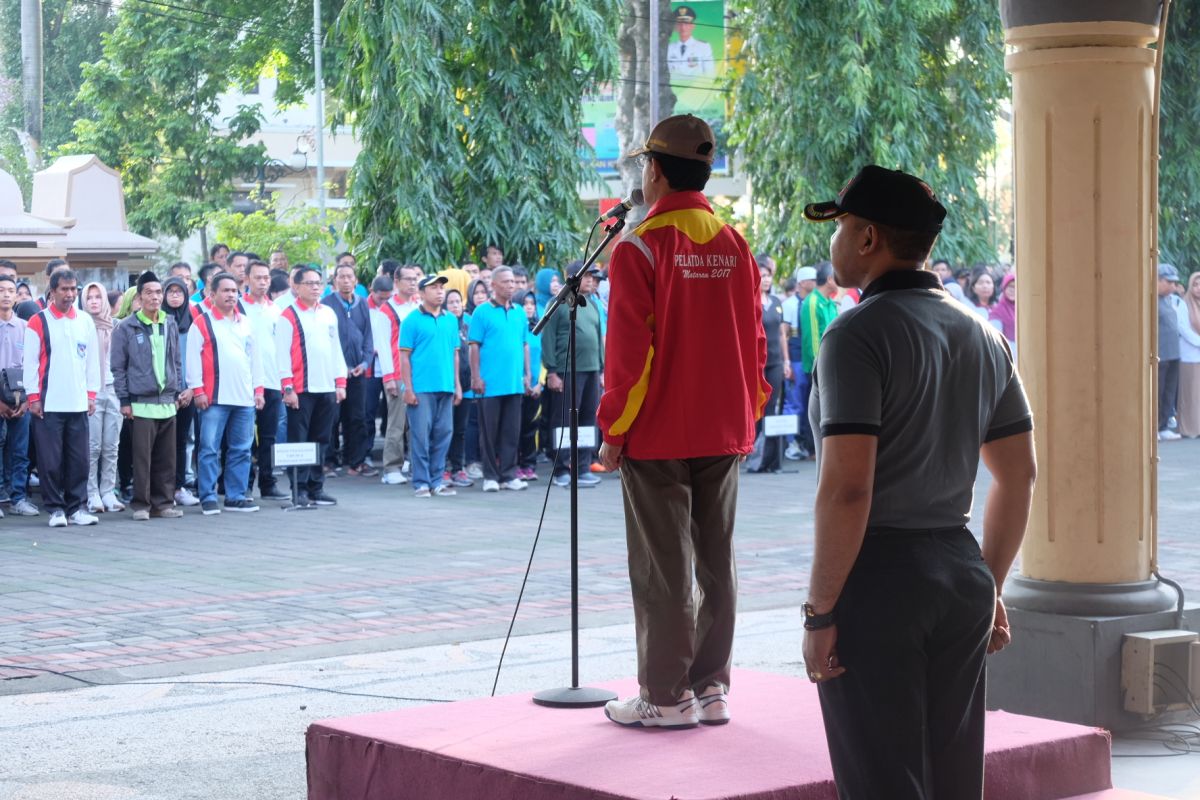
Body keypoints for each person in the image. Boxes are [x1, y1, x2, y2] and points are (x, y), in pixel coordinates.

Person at [799, 165, 1035, 799]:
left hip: (880, 577)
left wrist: (820, 612)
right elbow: (1020, 476)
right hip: (958, 570)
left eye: (842, 227)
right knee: (953, 772)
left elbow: (849, 489)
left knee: (882, 777)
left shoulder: (854, 335)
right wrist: (989, 582)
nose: (836, 242)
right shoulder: (984, 334)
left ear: (869, 238)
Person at [597, 114, 768, 729]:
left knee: (663, 565)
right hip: (722, 428)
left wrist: (614, 432)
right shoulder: (734, 242)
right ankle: (712, 687)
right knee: (716, 561)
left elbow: (630, 357)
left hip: (658, 431)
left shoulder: (639, 246)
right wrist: (748, 412)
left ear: (656, 169)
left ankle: (666, 697)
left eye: (645, 165)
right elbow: (754, 340)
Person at [24, 269, 101, 527]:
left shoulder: (85, 320)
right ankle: (56, 509)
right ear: (53, 291)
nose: (70, 294)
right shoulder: (38, 321)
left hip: (78, 402)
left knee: (79, 459)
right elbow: (30, 364)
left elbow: (92, 362)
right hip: (48, 403)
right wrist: (33, 397)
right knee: (50, 461)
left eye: (73, 289)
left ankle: (77, 507)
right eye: (64, 289)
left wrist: (91, 394)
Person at [111, 272, 186, 520]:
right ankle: (141, 505)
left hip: (167, 402)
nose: (155, 297)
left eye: (158, 292)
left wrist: (175, 391)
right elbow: (118, 367)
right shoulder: (126, 327)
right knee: (142, 458)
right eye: (149, 293)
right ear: (139, 297)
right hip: (140, 403)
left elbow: (176, 360)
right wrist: (124, 400)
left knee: (167, 457)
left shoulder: (170, 322)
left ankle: (163, 503)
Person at [188, 273, 263, 515]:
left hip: (244, 399)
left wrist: (258, 390)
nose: (231, 295)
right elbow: (192, 361)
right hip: (214, 398)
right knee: (209, 449)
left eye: (234, 291)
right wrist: (197, 390)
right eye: (226, 291)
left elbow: (255, 360)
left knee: (242, 449)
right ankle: (208, 496)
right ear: (212, 295)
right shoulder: (202, 323)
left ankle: (235, 496)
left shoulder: (246, 323)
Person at [276, 266, 347, 506]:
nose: (316, 287)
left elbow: (336, 349)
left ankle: (317, 487)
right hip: (301, 390)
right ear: (296, 287)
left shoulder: (328, 313)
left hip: (326, 387)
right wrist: (288, 388)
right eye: (309, 283)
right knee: (300, 441)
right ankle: (300, 489)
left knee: (322, 439)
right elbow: (282, 355)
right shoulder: (288, 315)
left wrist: (340, 382)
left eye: (319, 283)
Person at [468, 266, 531, 493]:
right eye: (505, 281)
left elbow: (524, 345)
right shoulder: (481, 312)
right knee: (489, 433)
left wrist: (528, 374)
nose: (511, 285)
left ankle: (509, 474)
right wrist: (476, 377)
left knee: (511, 432)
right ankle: (490, 476)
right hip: (490, 384)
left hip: (514, 383)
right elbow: (474, 346)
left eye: (513, 281)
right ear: (493, 285)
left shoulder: (519, 312)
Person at [398, 275, 462, 497]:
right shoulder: (411, 320)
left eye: (441, 287)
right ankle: (421, 482)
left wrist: (458, 385)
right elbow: (404, 357)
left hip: (445, 385)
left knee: (444, 433)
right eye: (433, 287)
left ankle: (437, 480)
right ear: (422, 293)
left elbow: (455, 355)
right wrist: (408, 388)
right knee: (420, 436)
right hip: (421, 387)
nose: (439, 291)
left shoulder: (451, 320)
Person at [541, 267, 604, 488]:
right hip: (567, 371)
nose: (591, 280)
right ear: (574, 277)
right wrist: (552, 371)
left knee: (589, 417)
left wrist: (602, 368)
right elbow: (547, 337)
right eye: (587, 275)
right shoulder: (558, 303)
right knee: (565, 419)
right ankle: (561, 468)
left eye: (593, 277)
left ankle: (583, 467)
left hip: (592, 370)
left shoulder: (592, 303)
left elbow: (597, 337)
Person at [321, 263, 375, 476]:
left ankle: (356, 461)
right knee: (332, 418)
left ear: (355, 281)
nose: (345, 280)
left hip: (358, 372)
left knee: (357, 417)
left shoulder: (362, 305)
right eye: (341, 277)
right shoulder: (326, 305)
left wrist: (364, 363)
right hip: (334, 374)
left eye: (349, 277)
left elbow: (368, 338)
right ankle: (329, 461)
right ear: (334, 281)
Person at [242, 260, 289, 500]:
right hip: (245, 382)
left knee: (269, 436)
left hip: (272, 381)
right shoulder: (239, 307)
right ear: (247, 279)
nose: (262, 282)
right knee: (245, 437)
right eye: (257, 277)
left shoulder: (277, 310)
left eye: (265, 278)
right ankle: (244, 484)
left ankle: (268, 483)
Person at [82, 281, 124, 513]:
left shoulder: (117, 326)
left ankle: (108, 491)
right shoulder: (81, 325)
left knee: (112, 445)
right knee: (93, 446)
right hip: (92, 392)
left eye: (98, 297)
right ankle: (91, 493)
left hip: (114, 390)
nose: (95, 301)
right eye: (90, 298)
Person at [0, 275, 35, 517]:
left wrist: (26, 400)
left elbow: (32, 366)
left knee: (20, 450)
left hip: (21, 399)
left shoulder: (26, 327)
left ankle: (18, 498)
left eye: (10, 290)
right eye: (1, 290)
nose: (6, 295)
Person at [444, 288, 475, 487]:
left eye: (458, 302)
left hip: (467, 385)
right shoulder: (445, 325)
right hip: (448, 385)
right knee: (445, 429)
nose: (456, 306)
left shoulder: (467, 325)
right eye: (451, 302)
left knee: (461, 430)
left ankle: (458, 468)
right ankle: (444, 468)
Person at [1158, 263, 1184, 440]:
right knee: (1157, 391)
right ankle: (1154, 427)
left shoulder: (1170, 300)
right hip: (1160, 354)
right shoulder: (1150, 299)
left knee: (1169, 390)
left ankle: (1164, 425)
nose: (1174, 286)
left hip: (1174, 352)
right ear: (1158, 280)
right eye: (1170, 282)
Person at [1177, 271, 1200, 438]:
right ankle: (1189, 428)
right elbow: (1183, 329)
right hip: (1190, 355)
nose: (1198, 288)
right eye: (1195, 284)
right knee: (1190, 394)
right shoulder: (1183, 304)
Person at [667, 5, 715, 77]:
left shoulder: (703, 47)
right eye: (679, 24)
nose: (683, 27)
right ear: (675, 27)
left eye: (686, 23)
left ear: (693, 26)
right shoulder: (669, 48)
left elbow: (710, 74)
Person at [990, 272, 1018, 356]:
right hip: (1008, 355)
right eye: (1010, 286)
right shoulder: (998, 311)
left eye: (1016, 287)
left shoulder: (1024, 308)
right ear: (1004, 288)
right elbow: (996, 340)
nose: (1012, 290)